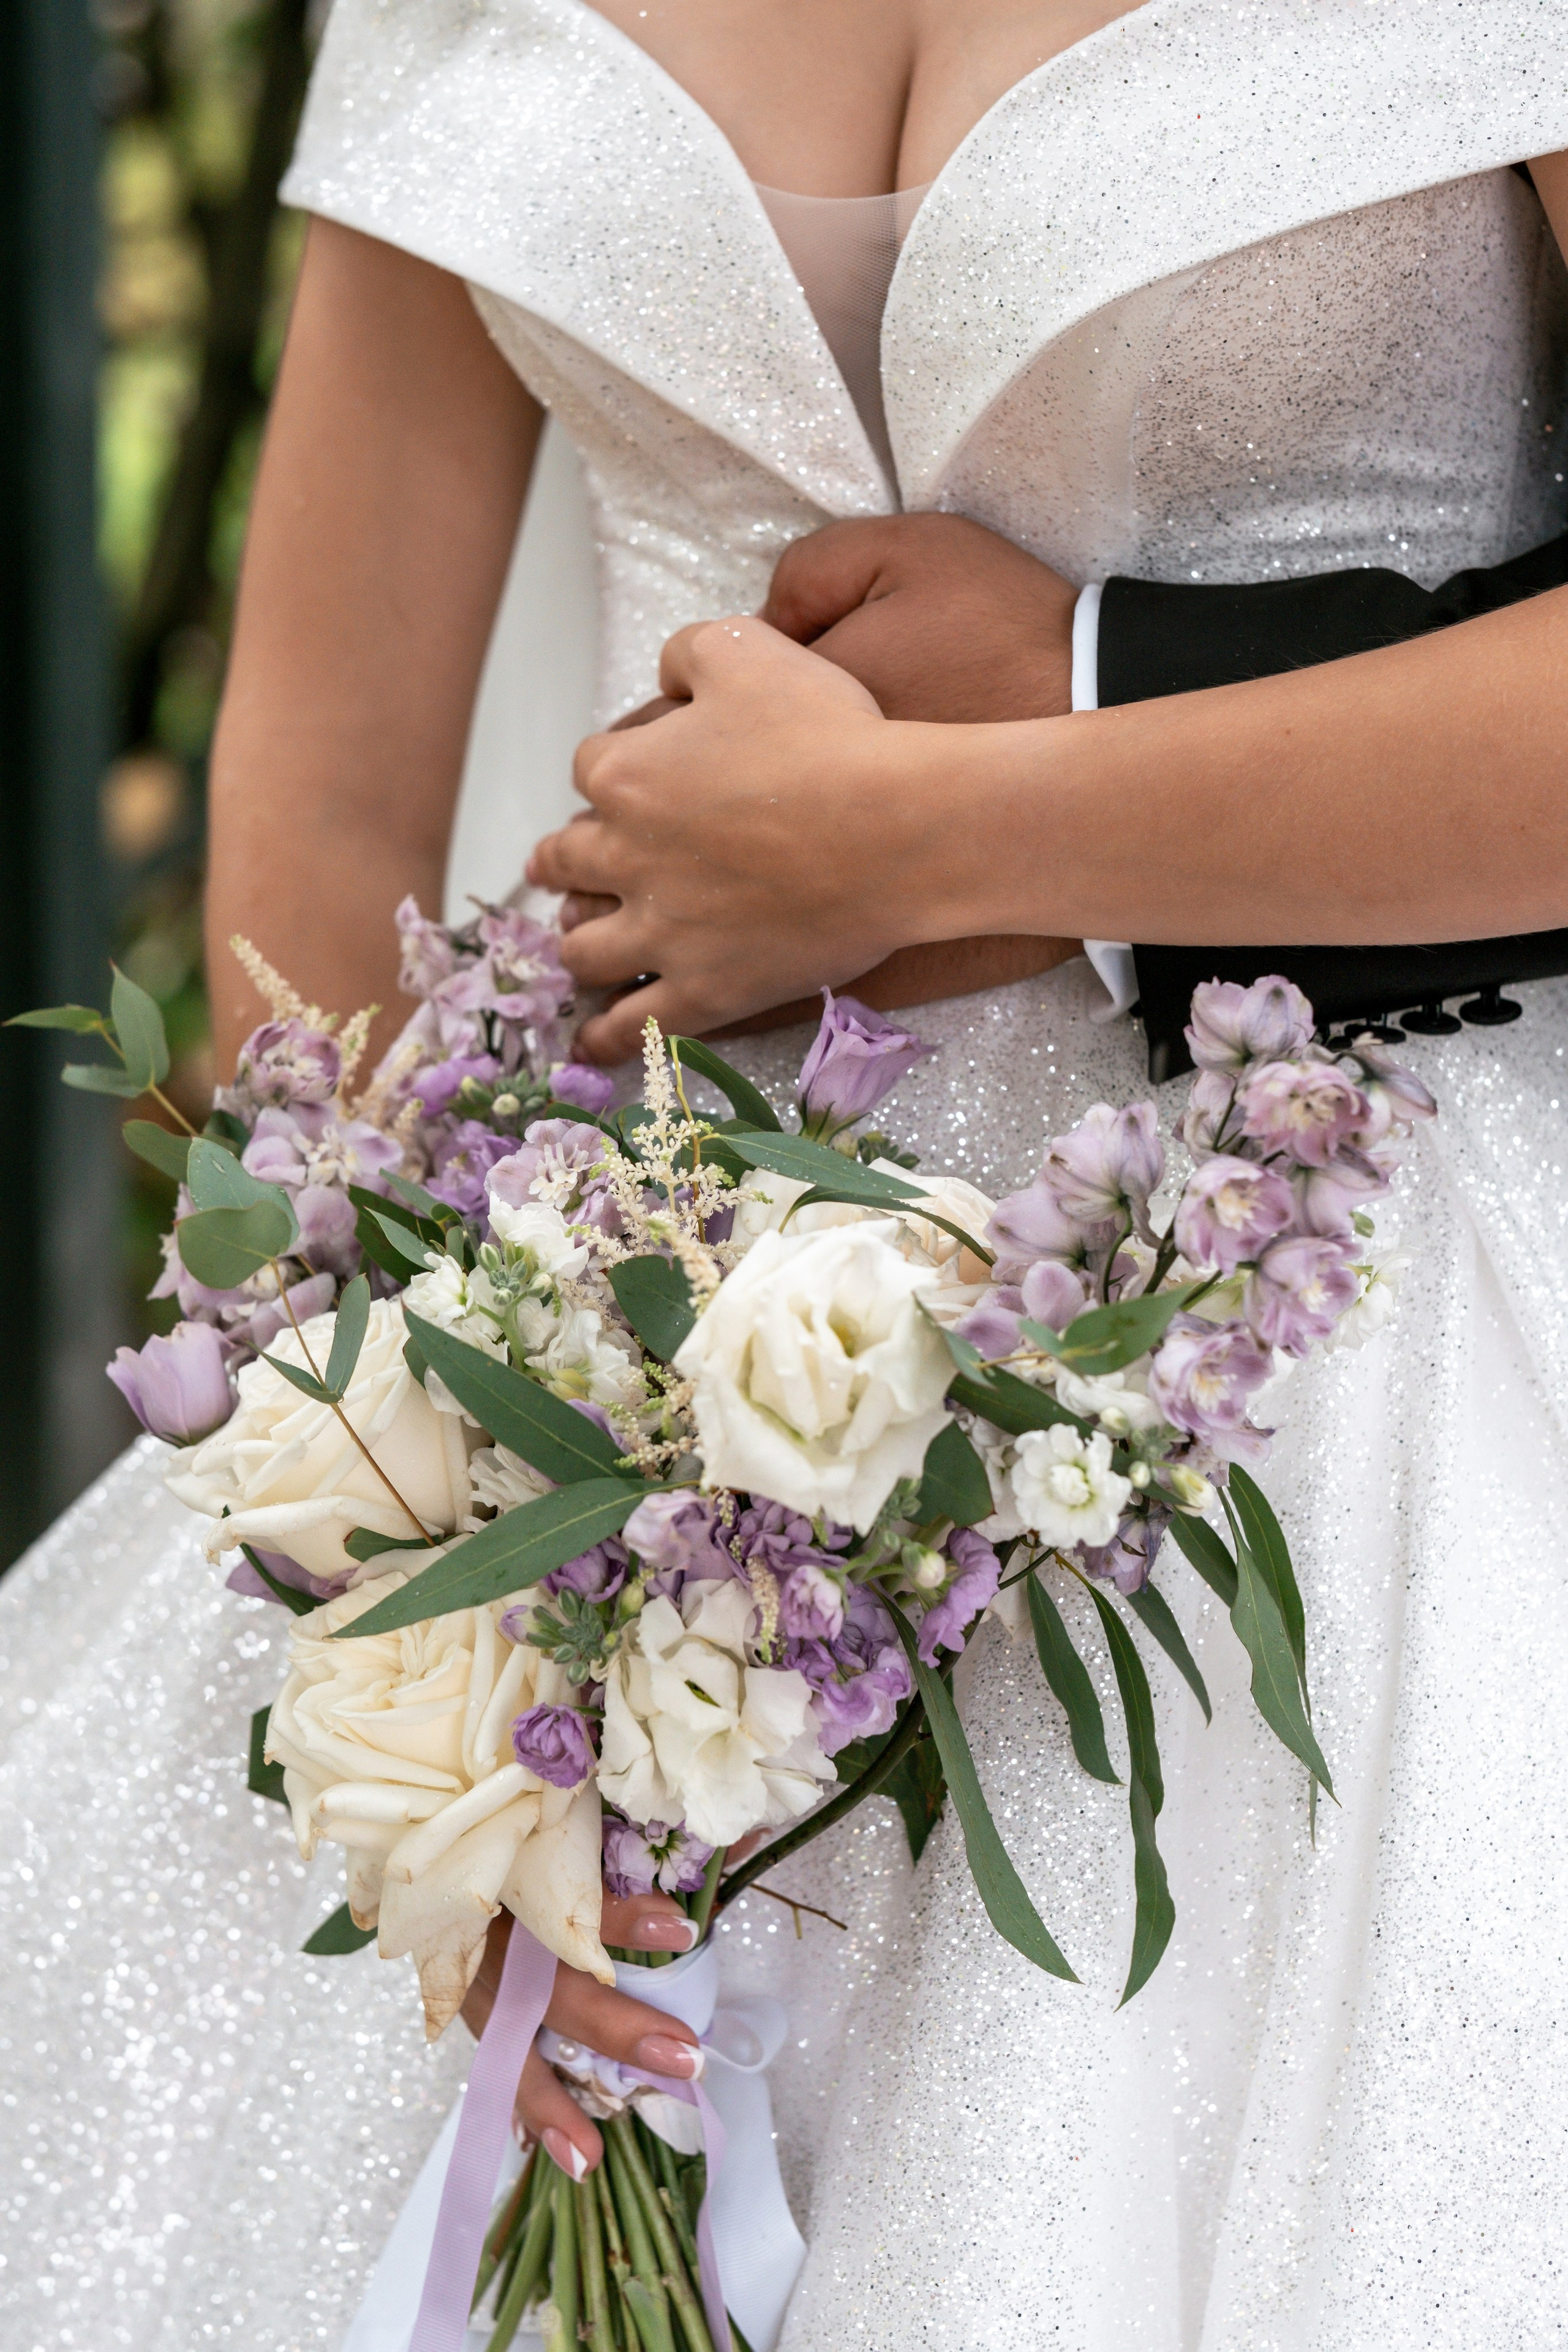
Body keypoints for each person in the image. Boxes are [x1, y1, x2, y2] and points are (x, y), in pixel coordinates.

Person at [4, 2, 1568, 2346]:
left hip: (1334, 1328)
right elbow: (316, 844)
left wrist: (935, 831)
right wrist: (419, 1576)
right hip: (579, 1356)